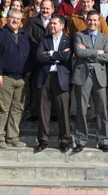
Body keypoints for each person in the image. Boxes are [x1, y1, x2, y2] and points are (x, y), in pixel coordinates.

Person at [0, 9, 34, 149]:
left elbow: (32, 54)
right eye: (12, 17)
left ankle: (13, 136)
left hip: (21, 78)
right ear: (7, 19)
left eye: (17, 18)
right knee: (3, 109)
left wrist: (29, 69)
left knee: (18, 109)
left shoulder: (26, 36)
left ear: (21, 21)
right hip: (4, 78)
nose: (15, 20)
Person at [72, 11, 108, 153]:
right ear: (86, 21)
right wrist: (97, 52)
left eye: (95, 20)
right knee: (81, 109)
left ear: (99, 21)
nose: (92, 22)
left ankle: (103, 140)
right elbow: (79, 53)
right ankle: (81, 140)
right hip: (83, 75)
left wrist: (89, 52)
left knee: (101, 110)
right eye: (90, 20)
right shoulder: (79, 35)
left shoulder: (105, 38)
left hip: (99, 77)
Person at [35, 14, 72, 152]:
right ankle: (43, 139)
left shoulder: (68, 40)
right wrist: (58, 55)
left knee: (63, 110)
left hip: (61, 77)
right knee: (44, 110)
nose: (52, 26)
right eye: (50, 23)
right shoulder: (44, 39)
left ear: (62, 25)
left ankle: (64, 139)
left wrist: (50, 53)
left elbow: (67, 57)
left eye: (55, 23)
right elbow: (39, 56)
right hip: (45, 77)